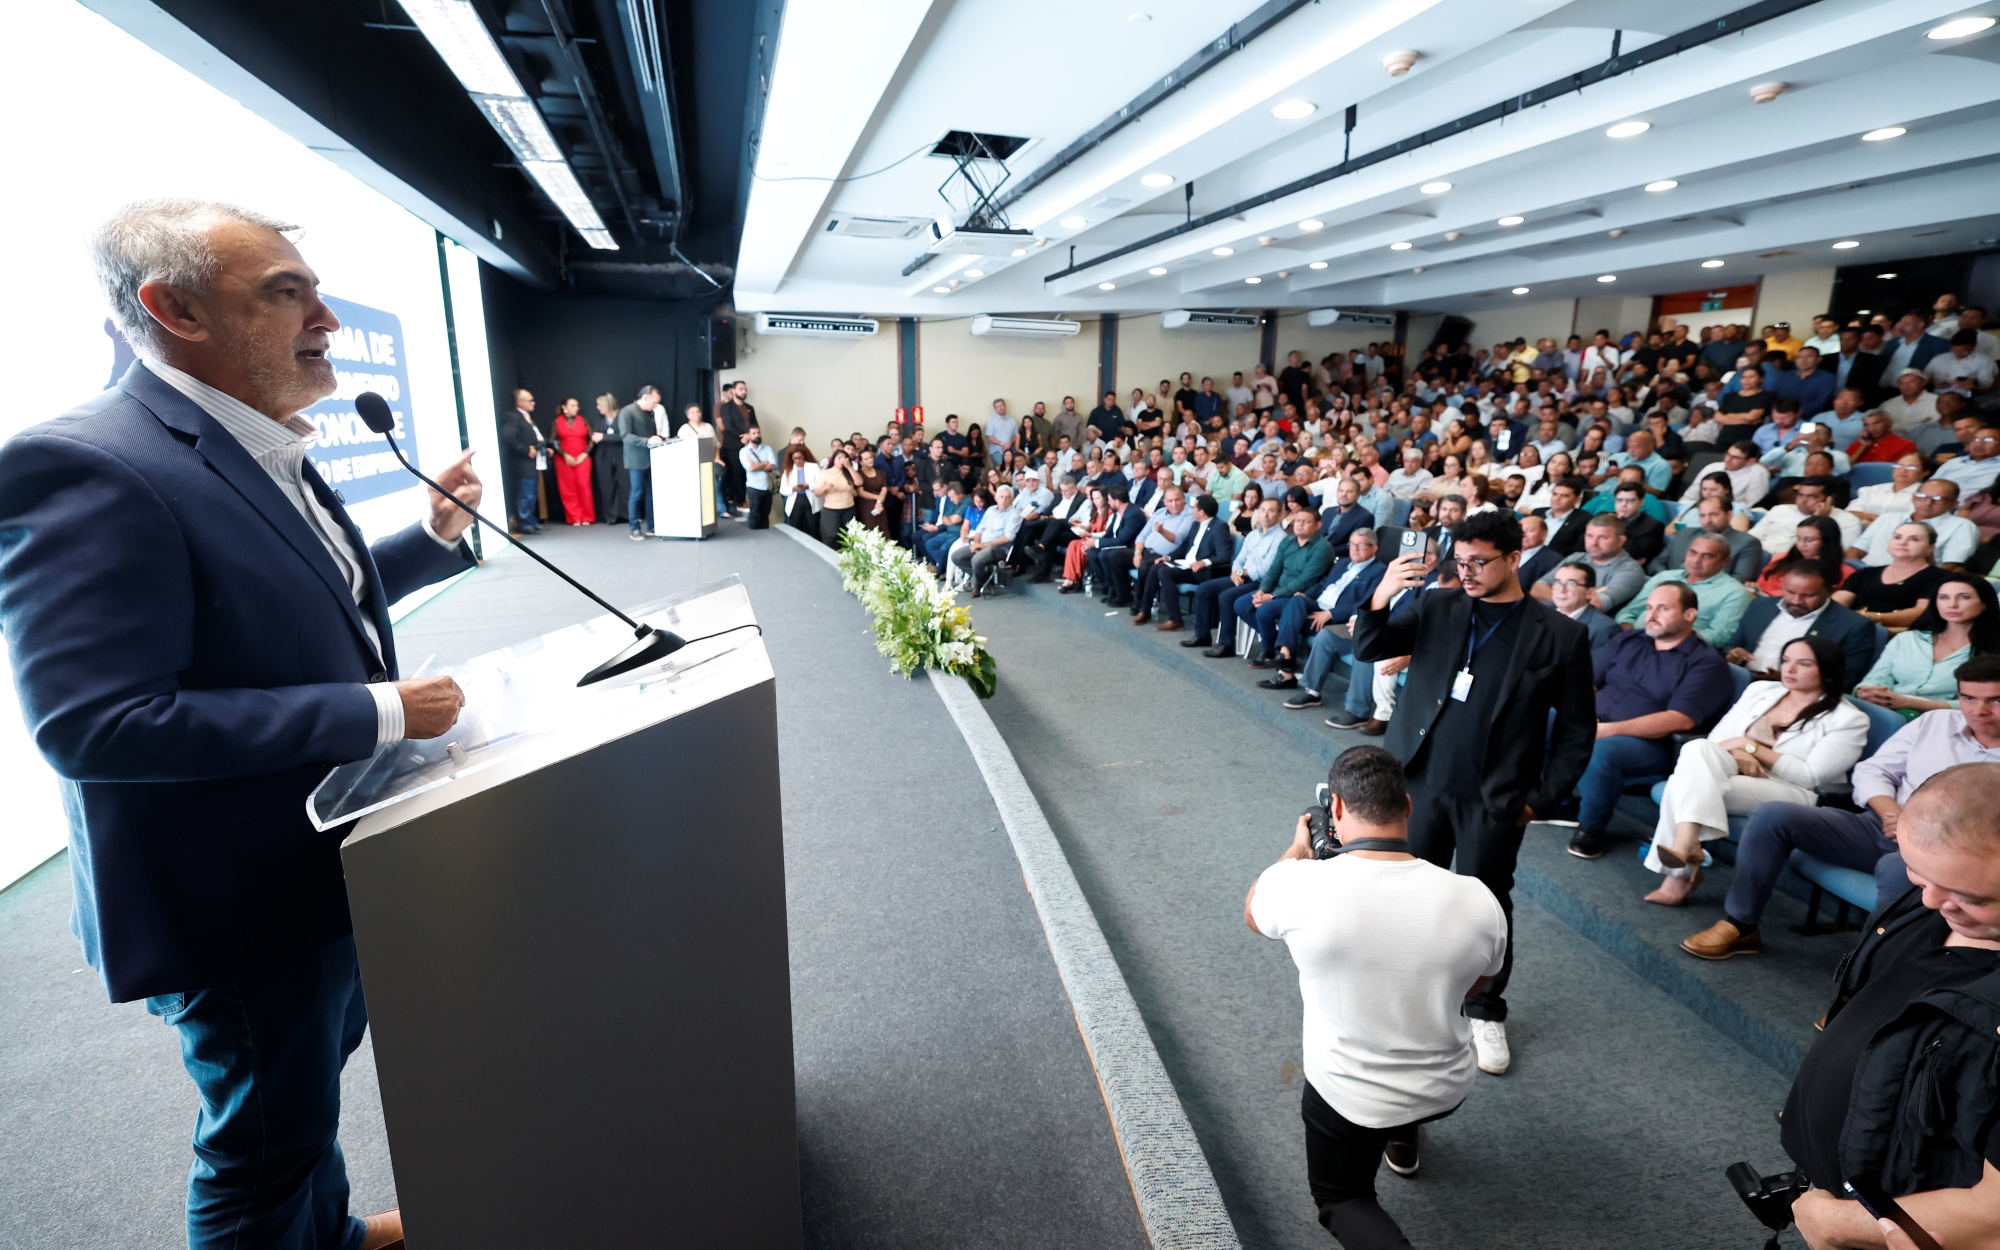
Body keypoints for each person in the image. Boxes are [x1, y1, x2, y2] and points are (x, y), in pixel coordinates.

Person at [0, 198, 482, 1250]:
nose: (327, 318)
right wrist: (376, 710)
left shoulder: (245, 433)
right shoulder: (89, 460)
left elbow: (290, 604)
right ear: (174, 308)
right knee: (259, 1137)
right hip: (228, 898)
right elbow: (96, 722)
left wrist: (427, 537)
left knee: (296, 1098)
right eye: (285, 291)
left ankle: (329, 1236)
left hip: (305, 857)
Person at [1352, 511, 1596, 1073]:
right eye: (1459, 561)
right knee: (1410, 895)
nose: (1466, 572)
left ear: (1515, 558)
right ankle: (1412, 996)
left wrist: (1538, 801)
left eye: (1479, 562)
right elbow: (1369, 646)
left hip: (1495, 796)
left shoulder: (1560, 634)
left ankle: (1484, 1008)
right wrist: (1383, 590)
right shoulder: (1438, 605)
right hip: (1418, 783)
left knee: (1486, 906)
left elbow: (1579, 730)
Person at [1246, 747, 1506, 1248]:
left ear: (1336, 810)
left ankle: (1391, 1133)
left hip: (1349, 1095)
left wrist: (1296, 851)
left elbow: (1255, 913)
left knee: (1342, 1199)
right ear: (1407, 808)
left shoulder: (1299, 884)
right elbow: (1478, 985)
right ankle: (1403, 1133)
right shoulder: (1477, 897)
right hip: (1444, 1088)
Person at [1685, 664, 2000, 961]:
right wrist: (1892, 812)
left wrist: (1915, 831)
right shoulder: (1934, 723)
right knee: (1773, 815)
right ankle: (1740, 924)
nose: (1979, 710)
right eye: (1968, 698)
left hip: (1945, 856)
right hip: (1879, 825)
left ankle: (1867, 978)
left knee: (1897, 871)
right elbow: (1872, 771)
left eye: (1994, 700)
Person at [1641, 637, 1868, 905]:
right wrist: (1739, 753)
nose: (1789, 669)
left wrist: (1749, 747)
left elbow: (1811, 776)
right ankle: (1686, 845)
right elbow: (1716, 741)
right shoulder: (1760, 690)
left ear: (1828, 672)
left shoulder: (1849, 719)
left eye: (1803, 664)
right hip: (1733, 769)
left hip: (1792, 791)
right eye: (1786, 661)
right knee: (1698, 749)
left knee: (1685, 786)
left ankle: (1680, 871)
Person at [1569, 582, 1739, 860]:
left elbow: (1680, 719)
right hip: (1597, 721)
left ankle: (1591, 828)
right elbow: (1588, 682)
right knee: (1541, 717)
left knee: (1601, 750)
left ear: (1690, 614)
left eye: (1663, 608)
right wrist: (1575, 712)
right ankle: (1559, 804)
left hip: (1649, 744)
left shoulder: (1706, 663)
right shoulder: (1629, 640)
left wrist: (1609, 730)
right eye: (1649, 607)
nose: (1652, 614)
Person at [1267, 528, 1385, 706]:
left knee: (1293, 614)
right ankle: (1286, 653)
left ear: (1374, 547)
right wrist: (1305, 595)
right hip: (1318, 605)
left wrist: (1331, 613)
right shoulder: (1343, 563)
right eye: (1351, 544)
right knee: (1296, 601)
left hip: (1337, 617)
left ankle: (1287, 668)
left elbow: (1365, 603)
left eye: (1360, 545)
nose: (1354, 549)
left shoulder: (1380, 571)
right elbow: (1323, 585)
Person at [1856, 574, 2000, 714]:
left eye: (1964, 597)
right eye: (1943, 597)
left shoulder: (1994, 649)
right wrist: (1866, 692)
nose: (1952, 605)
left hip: (1948, 721)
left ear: (1984, 604)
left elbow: (1988, 704)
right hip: (1889, 709)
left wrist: (1910, 703)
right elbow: (1875, 678)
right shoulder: (1907, 639)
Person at [1727, 561, 1873, 683]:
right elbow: (1731, 646)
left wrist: (1788, 680)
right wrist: (1733, 655)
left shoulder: (1854, 626)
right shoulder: (1760, 606)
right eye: (1790, 592)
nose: (1796, 601)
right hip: (1741, 679)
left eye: (1808, 596)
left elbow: (1846, 679)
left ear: (1830, 591)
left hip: (1794, 694)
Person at [1615, 533, 1754, 646]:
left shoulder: (1734, 593)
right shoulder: (1664, 577)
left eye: (1707, 556)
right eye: (1693, 552)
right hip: (1633, 641)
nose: (1696, 560)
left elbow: (1718, 636)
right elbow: (1628, 613)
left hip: (1679, 651)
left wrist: (1663, 643)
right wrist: (1630, 637)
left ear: (1725, 561)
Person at [1190, 499, 1285, 652]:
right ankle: (1202, 635)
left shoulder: (1281, 538)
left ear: (1279, 514)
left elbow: (1267, 568)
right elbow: (1239, 559)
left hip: (1261, 583)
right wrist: (1236, 573)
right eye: (1262, 510)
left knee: (1226, 596)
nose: (1265, 515)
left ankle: (1226, 644)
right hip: (1241, 576)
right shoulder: (1253, 535)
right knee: (1204, 589)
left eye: (1271, 511)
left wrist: (1241, 572)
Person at [1138, 494, 1234, 630]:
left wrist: (1204, 562)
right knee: (1156, 567)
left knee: (1164, 572)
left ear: (1201, 512)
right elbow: (1184, 547)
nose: (1192, 509)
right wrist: (1168, 557)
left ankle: (1175, 619)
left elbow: (1225, 556)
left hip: (1202, 570)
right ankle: (1145, 610)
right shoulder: (1196, 524)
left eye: (1194, 507)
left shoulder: (1220, 527)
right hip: (1186, 564)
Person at [1835, 521, 1945, 630]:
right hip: (1854, 628)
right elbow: (1836, 603)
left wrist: (1875, 617)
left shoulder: (1940, 577)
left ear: (1930, 548)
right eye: (1897, 537)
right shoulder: (1865, 573)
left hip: (1899, 635)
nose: (1902, 542)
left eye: (1914, 539)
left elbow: (1921, 612)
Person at [1849, 478, 1976, 567]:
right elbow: (1856, 551)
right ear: (1914, 498)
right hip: (1865, 574)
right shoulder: (1888, 518)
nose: (1928, 503)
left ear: (1954, 504)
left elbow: (1951, 566)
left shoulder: (1962, 526)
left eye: (1938, 499)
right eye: (1922, 497)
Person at [951, 483, 1021, 596]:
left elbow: (1008, 537)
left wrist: (983, 546)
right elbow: (980, 529)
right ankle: (985, 578)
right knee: (956, 556)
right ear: (996, 498)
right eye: (1001, 497)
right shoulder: (991, 510)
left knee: (976, 559)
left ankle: (977, 586)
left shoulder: (1014, 514)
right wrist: (977, 543)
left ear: (1012, 499)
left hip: (999, 549)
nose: (1004, 500)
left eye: (1007, 497)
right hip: (982, 544)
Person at [1754, 517, 1846, 596]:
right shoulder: (1781, 558)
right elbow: (1761, 584)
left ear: (1827, 541)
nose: (1801, 544)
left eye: (1809, 540)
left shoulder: (1844, 572)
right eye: (1798, 538)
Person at [616, 385, 663, 539]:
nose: (655, 406)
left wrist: (658, 439)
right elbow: (626, 436)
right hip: (636, 459)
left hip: (651, 457)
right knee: (636, 493)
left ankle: (652, 526)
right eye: (654, 402)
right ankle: (634, 528)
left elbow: (652, 433)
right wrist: (647, 440)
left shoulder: (650, 413)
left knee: (651, 494)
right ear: (645, 398)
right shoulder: (627, 411)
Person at [500, 387, 548, 534]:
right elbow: (508, 437)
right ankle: (525, 522)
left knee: (532, 492)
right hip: (522, 463)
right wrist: (527, 450)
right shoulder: (513, 417)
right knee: (525, 493)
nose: (533, 403)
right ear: (519, 402)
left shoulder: (526, 417)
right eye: (530, 400)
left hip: (532, 463)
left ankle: (530, 520)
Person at [1549, 561, 1617, 652]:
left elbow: (1597, 665)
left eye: (1571, 584)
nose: (1562, 590)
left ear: (1590, 593)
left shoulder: (1604, 628)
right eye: (1557, 583)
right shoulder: (1539, 611)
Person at [548, 396, 596, 525]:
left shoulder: (583, 420)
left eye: (577, 406)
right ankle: (574, 517)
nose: (576, 408)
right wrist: (564, 455)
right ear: (564, 407)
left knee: (583, 485)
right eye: (572, 405)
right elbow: (553, 440)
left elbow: (592, 438)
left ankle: (587, 516)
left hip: (582, 457)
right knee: (568, 488)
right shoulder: (557, 422)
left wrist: (585, 454)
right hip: (564, 459)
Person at [589, 392, 627, 524]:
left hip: (621, 454)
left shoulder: (622, 417)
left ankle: (626, 514)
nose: (598, 407)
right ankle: (611, 516)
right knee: (607, 485)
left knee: (624, 484)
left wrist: (604, 437)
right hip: (603, 456)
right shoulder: (599, 420)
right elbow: (595, 435)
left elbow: (624, 435)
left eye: (599, 404)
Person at [717, 379, 754, 514]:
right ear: (733, 391)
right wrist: (743, 436)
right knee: (737, 473)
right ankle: (740, 500)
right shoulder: (726, 408)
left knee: (748, 472)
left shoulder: (750, 408)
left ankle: (744, 499)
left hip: (748, 445)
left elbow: (754, 425)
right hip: (732, 445)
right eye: (740, 389)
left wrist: (750, 436)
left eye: (745, 389)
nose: (743, 391)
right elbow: (728, 427)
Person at [812, 446, 861, 546]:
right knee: (831, 535)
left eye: (844, 458)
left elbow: (859, 482)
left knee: (850, 536)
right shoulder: (826, 472)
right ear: (834, 459)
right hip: (831, 509)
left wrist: (849, 467)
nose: (841, 461)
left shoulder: (849, 472)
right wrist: (825, 487)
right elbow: (817, 492)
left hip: (849, 508)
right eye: (839, 458)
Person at [737, 425, 776, 530]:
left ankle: (765, 537)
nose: (757, 435)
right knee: (754, 514)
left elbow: (772, 466)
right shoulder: (744, 451)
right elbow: (750, 468)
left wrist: (756, 465)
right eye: (754, 433)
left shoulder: (767, 448)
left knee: (765, 515)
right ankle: (754, 538)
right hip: (753, 487)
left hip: (767, 487)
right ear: (749, 436)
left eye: (758, 433)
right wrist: (764, 463)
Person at [776, 443, 820, 535]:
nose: (798, 460)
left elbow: (820, 484)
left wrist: (808, 486)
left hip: (810, 499)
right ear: (791, 458)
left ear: (804, 456)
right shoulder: (788, 470)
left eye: (800, 458)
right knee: (796, 527)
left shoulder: (813, 467)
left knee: (813, 528)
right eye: (795, 458)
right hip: (795, 501)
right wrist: (793, 489)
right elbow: (782, 490)